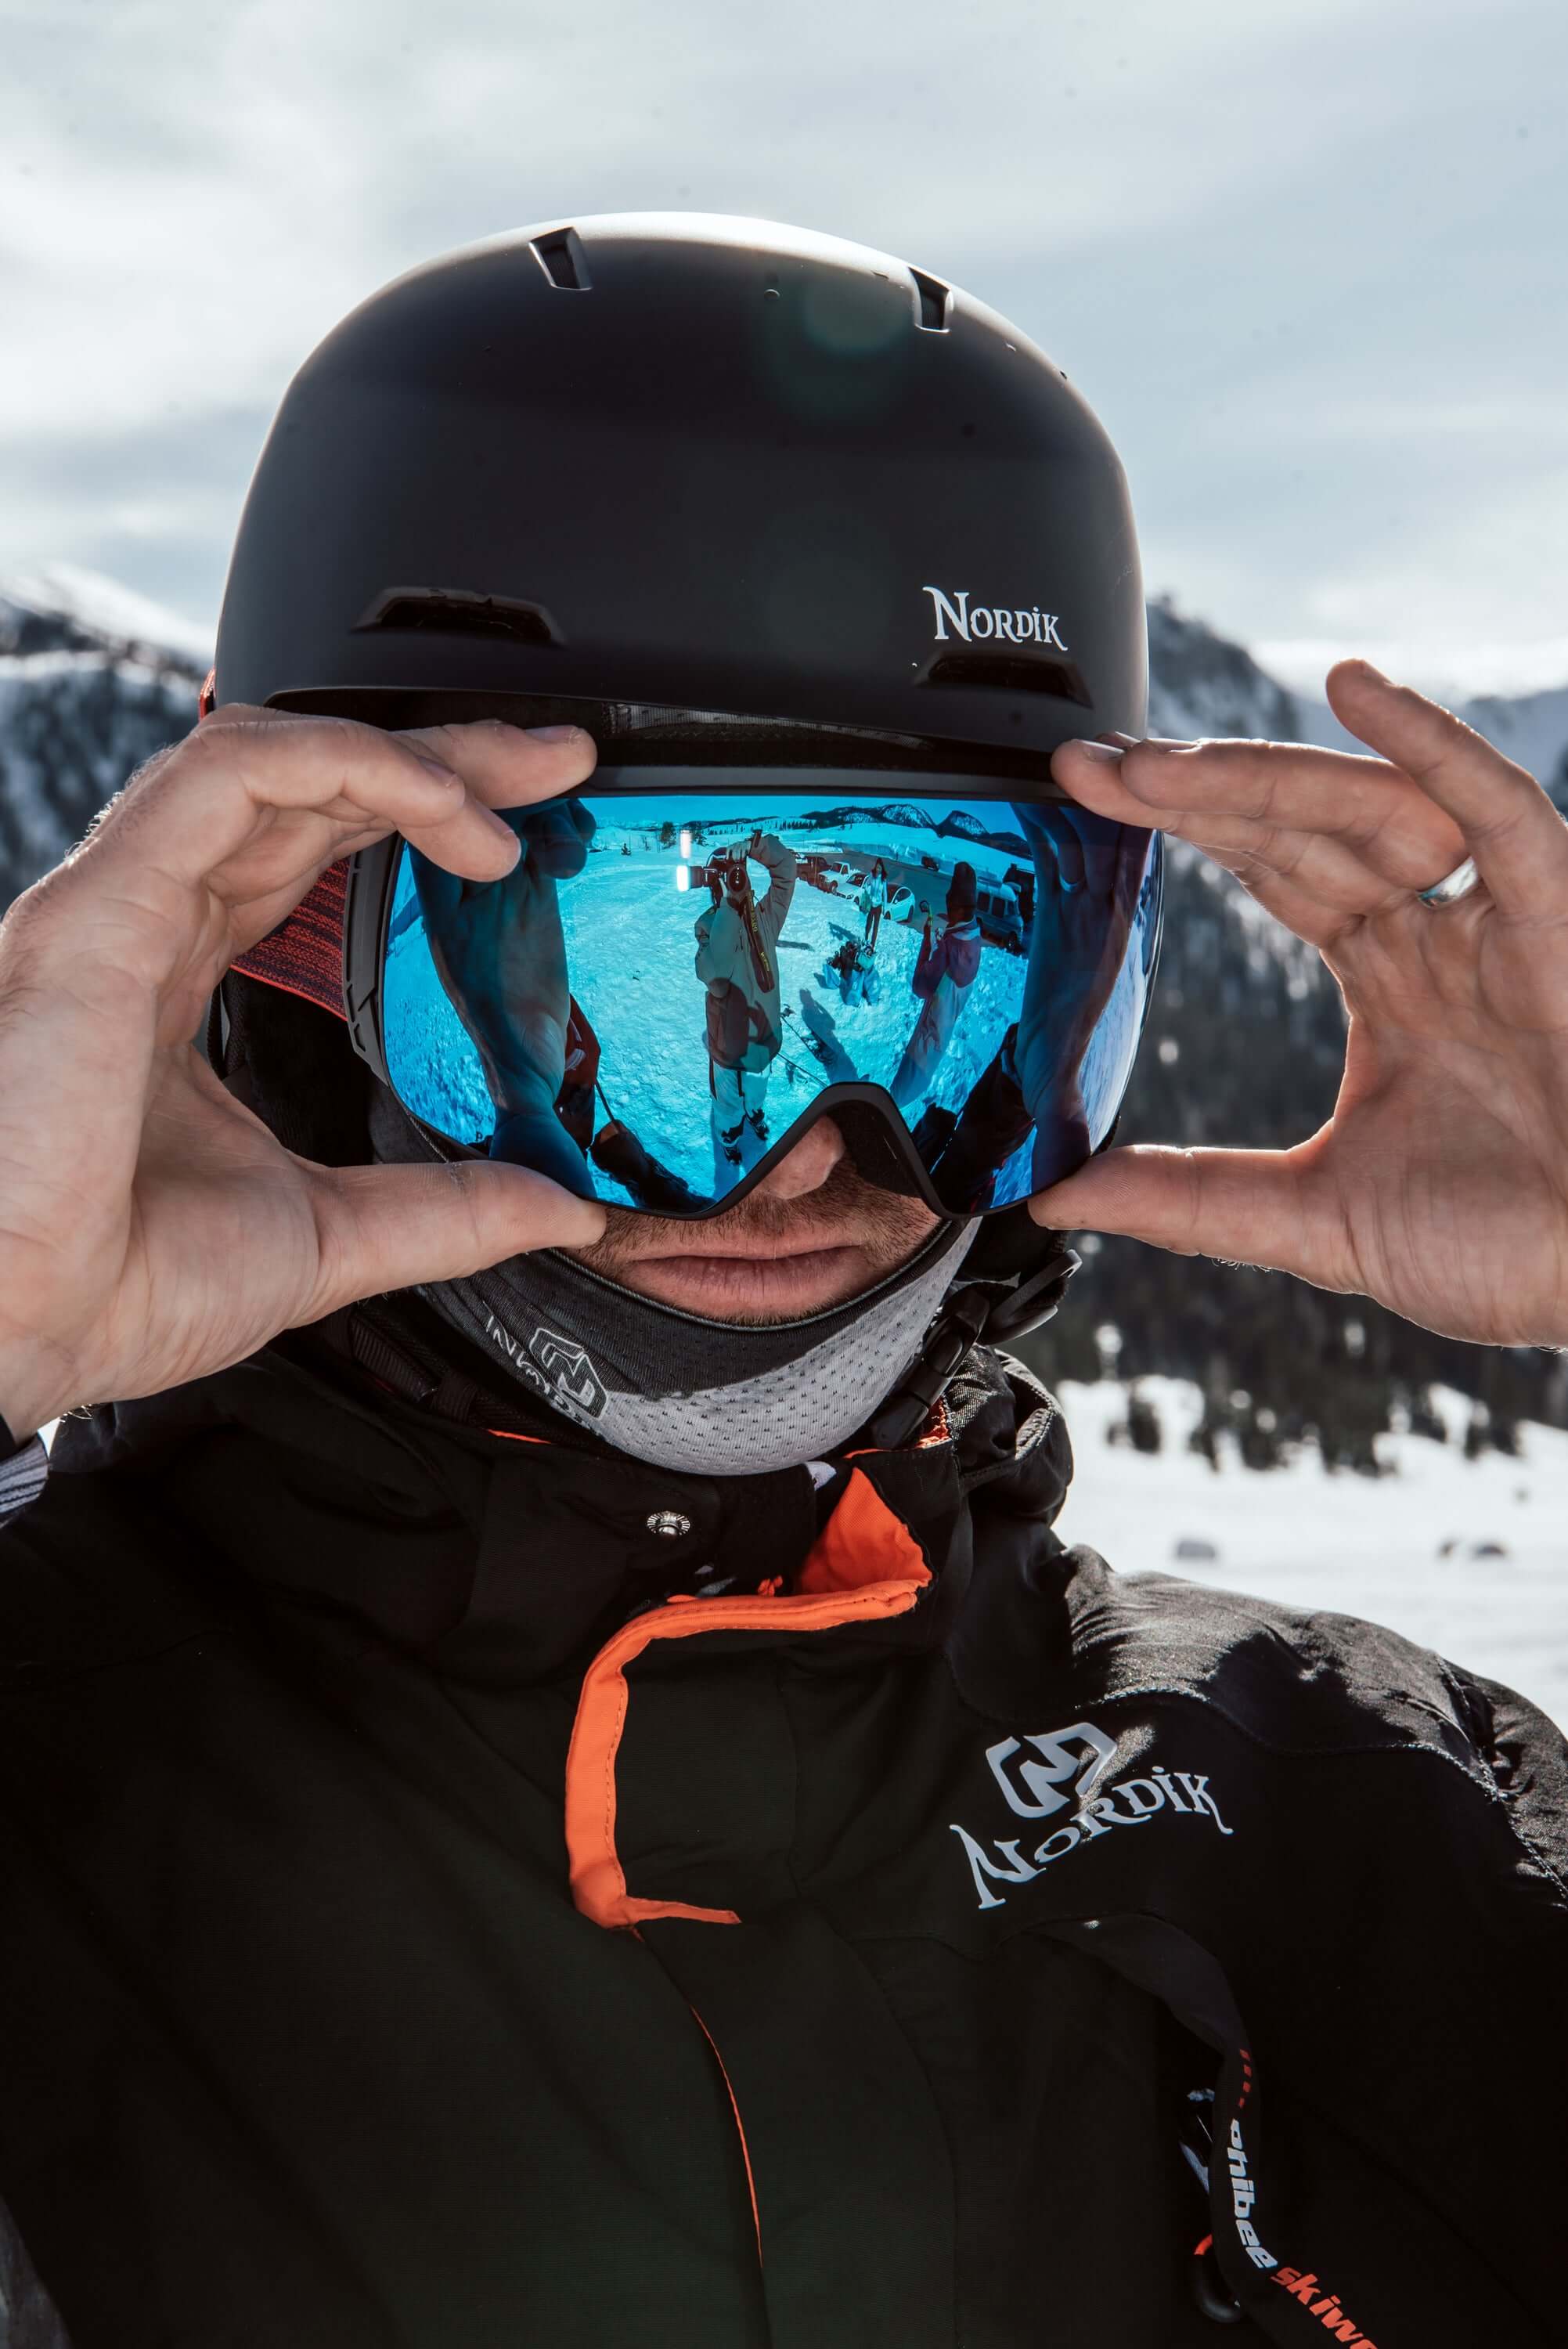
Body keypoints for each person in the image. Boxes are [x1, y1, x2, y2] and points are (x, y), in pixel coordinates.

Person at [0, 213, 1566, 2349]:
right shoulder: (55, 1773)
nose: (817, 1160)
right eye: (641, 997)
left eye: (935, 986)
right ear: (303, 953)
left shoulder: (1362, 1795)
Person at [694, 830, 798, 1191]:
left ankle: (754, 1114)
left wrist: (756, 848)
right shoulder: (707, 927)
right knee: (727, 1107)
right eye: (728, 875)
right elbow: (716, 974)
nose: (735, 880)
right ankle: (729, 1138)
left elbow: (787, 871)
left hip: (763, 1041)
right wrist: (730, 908)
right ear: (717, 885)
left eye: (736, 873)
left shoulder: (764, 919)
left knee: (756, 1093)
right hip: (729, 1050)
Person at [889, 861, 982, 1109]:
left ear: (956, 906)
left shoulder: (949, 950)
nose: (947, 906)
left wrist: (929, 942)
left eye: (949, 902)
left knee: (897, 1095)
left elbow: (920, 986)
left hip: (926, 1038)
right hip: (941, 1037)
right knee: (912, 1089)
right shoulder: (974, 941)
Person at [860, 857, 889, 949]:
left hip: (879, 906)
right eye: (877, 867)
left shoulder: (883, 879)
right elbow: (866, 884)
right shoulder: (872, 875)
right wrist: (867, 892)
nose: (878, 869)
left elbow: (885, 894)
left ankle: (873, 944)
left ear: (882, 868)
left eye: (880, 868)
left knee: (876, 926)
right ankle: (866, 939)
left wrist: (885, 907)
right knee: (869, 924)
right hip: (871, 904)